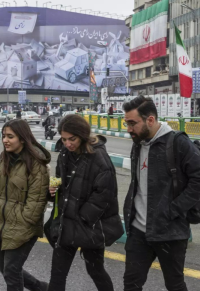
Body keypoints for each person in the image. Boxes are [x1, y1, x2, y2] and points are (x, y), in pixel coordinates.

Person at [122, 96, 200, 291]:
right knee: (131, 283)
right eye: (126, 123)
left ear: (150, 120)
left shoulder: (178, 143)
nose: (128, 129)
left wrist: (172, 210)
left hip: (170, 231)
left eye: (132, 123)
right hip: (139, 230)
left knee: (174, 284)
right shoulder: (138, 142)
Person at [47, 114, 124, 291]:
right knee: (57, 274)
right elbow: (61, 184)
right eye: (64, 139)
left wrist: (83, 218)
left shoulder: (98, 157)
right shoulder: (65, 154)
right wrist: (52, 192)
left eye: (72, 139)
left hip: (89, 227)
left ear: (82, 135)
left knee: (95, 270)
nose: (67, 144)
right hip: (66, 224)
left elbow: (104, 194)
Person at [0, 119, 50, 291]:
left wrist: (24, 220)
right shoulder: (3, 159)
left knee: (11, 270)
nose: (5, 140)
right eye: (3, 136)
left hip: (24, 226)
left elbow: (37, 200)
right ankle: (41, 288)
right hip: (2, 223)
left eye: (10, 136)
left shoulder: (36, 164)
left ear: (22, 138)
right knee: (5, 269)